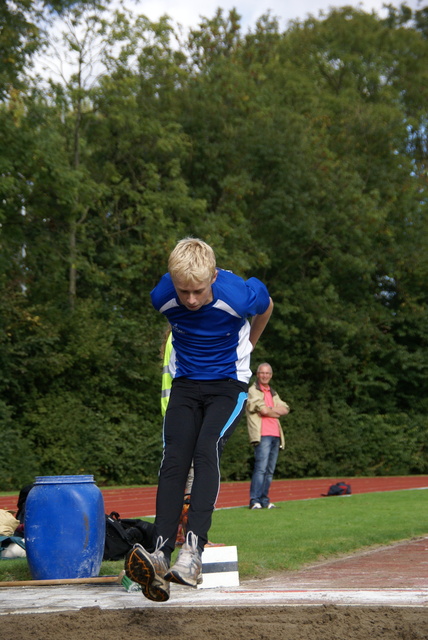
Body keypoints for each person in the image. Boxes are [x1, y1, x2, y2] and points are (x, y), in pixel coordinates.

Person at [125, 237, 273, 602]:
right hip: (187, 384)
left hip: (228, 384)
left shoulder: (237, 294)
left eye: (198, 291)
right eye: (183, 291)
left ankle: (193, 552)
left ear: (213, 277)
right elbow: (176, 309)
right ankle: (159, 553)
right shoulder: (162, 295)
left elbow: (266, 306)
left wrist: (249, 344)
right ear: (172, 283)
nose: (190, 300)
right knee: (173, 458)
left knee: (206, 448)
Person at [246, 363, 290, 509]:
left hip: (276, 434)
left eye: (267, 373)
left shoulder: (273, 392)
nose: (265, 376)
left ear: (271, 375)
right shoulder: (253, 390)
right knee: (261, 468)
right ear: (257, 374)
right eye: (262, 373)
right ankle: (255, 500)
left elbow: (285, 408)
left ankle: (264, 500)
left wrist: (270, 409)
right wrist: (274, 410)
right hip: (262, 434)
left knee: (270, 470)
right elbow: (263, 411)